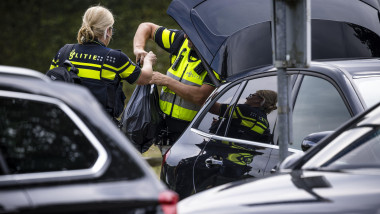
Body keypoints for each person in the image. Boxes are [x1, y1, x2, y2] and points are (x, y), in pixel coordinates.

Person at [49, 6, 156, 121]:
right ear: (108, 31)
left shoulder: (64, 51)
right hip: (99, 128)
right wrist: (149, 60)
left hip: (65, 123)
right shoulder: (115, 58)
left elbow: (50, 83)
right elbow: (145, 78)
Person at [133, 22, 220, 153]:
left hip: (193, 134)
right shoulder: (180, 40)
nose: (185, 36)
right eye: (185, 30)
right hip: (166, 130)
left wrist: (167, 81)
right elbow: (146, 27)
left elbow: (200, 96)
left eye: (190, 34)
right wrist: (139, 48)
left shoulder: (216, 58)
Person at [210, 90, 277, 143]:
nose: (246, 98)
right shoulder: (265, 122)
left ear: (259, 100)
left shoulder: (243, 110)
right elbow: (245, 131)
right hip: (242, 156)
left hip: (225, 152)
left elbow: (211, 107)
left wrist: (211, 95)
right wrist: (221, 124)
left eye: (251, 95)